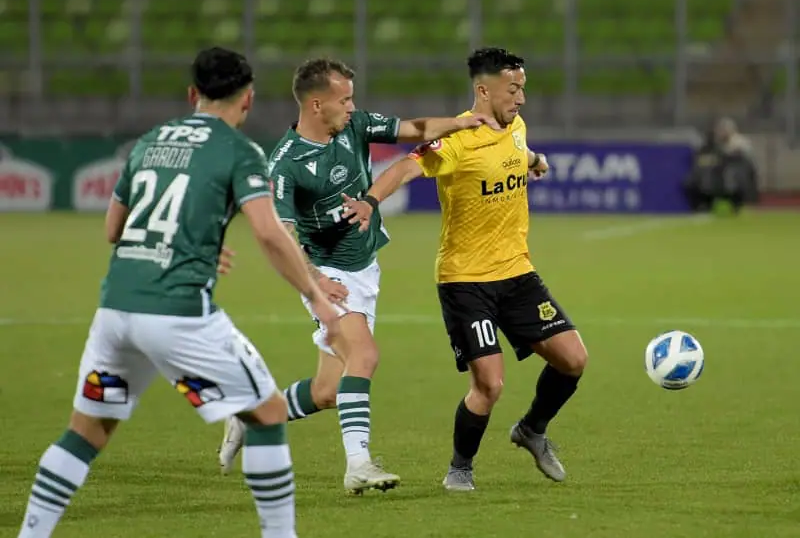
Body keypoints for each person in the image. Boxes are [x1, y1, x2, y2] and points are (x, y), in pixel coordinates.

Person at [16, 47, 339, 538]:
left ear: (192, 94)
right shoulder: (237, 150)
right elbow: (270, 234)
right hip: (177, 315)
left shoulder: (150, 141)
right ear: (248, 99)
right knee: (269, 412)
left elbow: (113, 229)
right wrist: (315, 293)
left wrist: (190, 249)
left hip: (116, 312)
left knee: (87, 432)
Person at [217, 57, 499, 494]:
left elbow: (415, 129)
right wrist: (314, 282)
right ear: (315, 104)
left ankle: (251, 414)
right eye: (343, 99)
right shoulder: (287, 164)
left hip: (364, 268)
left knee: (329, 390)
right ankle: (358, 465)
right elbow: (282, 234)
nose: (352, 106)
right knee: (364, 357)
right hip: (326, 275)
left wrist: (462, 124)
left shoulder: (354, 126)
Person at [341, 47, 589, 492]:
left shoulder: (515, 126)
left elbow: (518, 150)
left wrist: (535, 161)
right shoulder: (457, 139)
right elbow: (404, 166)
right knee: (489, 384)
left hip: (517, 274)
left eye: (523, 89)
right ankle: (460, 469)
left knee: (573, 359)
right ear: (483, 89)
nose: (521, 98)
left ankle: (532, 430)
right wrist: (370, 201)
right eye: (513, 89)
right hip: (465, 280)